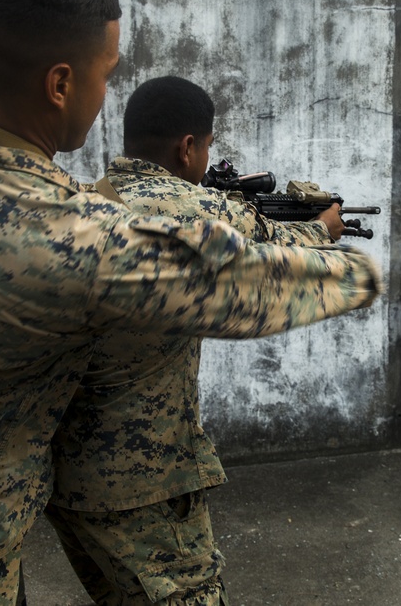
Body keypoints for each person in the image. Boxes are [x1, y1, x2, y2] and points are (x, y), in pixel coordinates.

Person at [0, 0, 381, 606]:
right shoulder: (69, 233)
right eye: (105, 74)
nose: (105, 92)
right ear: (61, 84)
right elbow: (250, 286)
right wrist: (352, 265)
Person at [44, 76, 354, 605]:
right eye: (207, 148)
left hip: (66, 479)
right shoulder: (198, 210)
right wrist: (324, 226)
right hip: (147, 482)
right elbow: (286, 257)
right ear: (188, 147)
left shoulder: (83, 202)